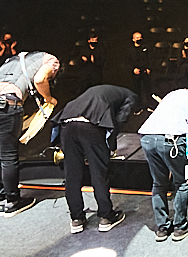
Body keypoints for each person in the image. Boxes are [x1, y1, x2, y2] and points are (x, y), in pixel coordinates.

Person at [0, 51, 61, 217]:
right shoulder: (51, 60)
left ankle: (1, 199)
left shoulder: (12, 60)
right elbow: (40, 79)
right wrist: (48, 98)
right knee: (8, 155)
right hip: (5, 105)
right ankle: (13, 201)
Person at [51, 84, 138, 234]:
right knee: (99, 173)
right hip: (90, 126)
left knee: (72, 175)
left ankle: (76, 219)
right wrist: (111, 146)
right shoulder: (131, 96)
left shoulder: (100, 91)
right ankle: (106, 216)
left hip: (67, 125)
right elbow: (120, 119)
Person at [140, 84, 188, 242]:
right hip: (171, 140)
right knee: (182, 183)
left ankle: (162, 228)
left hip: (147, 138)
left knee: (159, 183)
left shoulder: (174, 93)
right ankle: (180, 227)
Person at [129, 31, 151, 102]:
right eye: (137, 38)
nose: (139, 39)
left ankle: (149, 104)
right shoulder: (130, 49)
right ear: (133, 39)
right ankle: (138, 105)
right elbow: (127, 62)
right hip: (135, 73)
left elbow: (149, 58)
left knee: (147, 89)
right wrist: (133, 69)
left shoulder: (145, 47)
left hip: (145, 72)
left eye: (140, 37)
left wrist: (148, 68)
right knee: (137, 90)